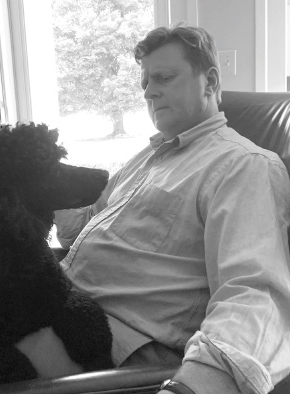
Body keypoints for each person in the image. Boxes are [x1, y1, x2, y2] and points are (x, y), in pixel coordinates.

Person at [55, 25, 290, 394]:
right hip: (61, 309)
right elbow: (75, 232)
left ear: (209, 82)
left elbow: (255, 293)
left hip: (114, 347)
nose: (148, 91)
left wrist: (198, 384)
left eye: (163, 77)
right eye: (145, 82)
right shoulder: (145, 158)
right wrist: (49, 186)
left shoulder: (242, 165)